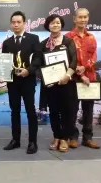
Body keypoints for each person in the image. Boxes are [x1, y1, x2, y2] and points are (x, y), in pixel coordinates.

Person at [1, 11, 41, 154]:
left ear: (24, 23)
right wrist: (1, 75)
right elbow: (4, 62)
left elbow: (38, 58)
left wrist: (28, 70)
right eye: (13, 22)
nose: (16, 24)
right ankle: (15, 140)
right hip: (13, 82)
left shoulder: (33, 38)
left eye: (19, 22)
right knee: (14, 111)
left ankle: (32, 142)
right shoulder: (7, 43)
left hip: (28, 80)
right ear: (11, 24)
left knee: (31, 111)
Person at [39, 14, 77, 153]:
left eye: (58, 23)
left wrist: (67, 75)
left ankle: (65, 138)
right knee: (53, 112)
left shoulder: (68, 42)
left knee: (67, 111)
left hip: (66, 83)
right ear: (48, 26)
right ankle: (56, 136)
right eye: (52, 23)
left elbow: (74, 60)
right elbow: (39, 64)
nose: (55, 25)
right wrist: (44, 78)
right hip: (51, 85)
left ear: (61, 25)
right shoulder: (43, 44)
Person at [65, 8, 100, 149]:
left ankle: (88, 138)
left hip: (89, 79)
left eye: (85, 17)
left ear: (88, 18)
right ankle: (73, 137)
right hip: (74, 79)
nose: (83, 20)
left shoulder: (92, 37)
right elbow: (68, 59)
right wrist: (80, 73)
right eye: (80, 17)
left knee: (88, 109)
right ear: (74, 19)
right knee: (72, 109)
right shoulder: (68, 37)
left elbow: (94, 56)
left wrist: (85, 68)